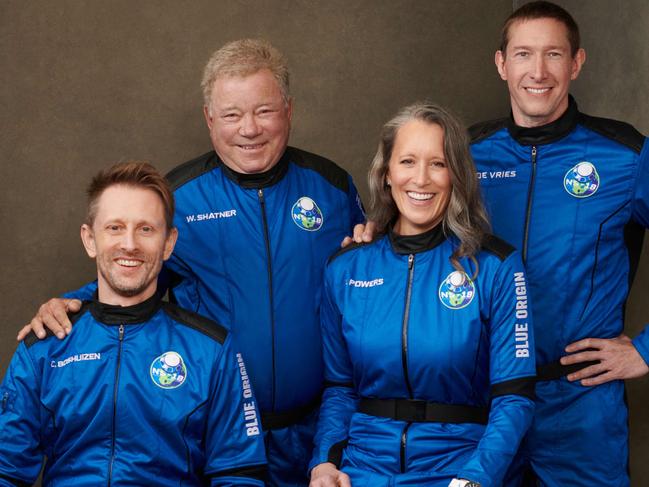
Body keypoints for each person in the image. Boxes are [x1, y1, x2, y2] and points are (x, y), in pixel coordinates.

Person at [18, 39, 366, 487]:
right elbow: (131, 274)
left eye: (264, 111)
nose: (249, 129)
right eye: (231, 115)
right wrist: (68, 305)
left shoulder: (333, 188)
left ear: (289, 111)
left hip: (321, 431)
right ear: (208, 119)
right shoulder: (179, 197)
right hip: (216, 436)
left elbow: (368, 276)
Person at [309, 103, 536, 487]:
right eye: (408, 161)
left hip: (458, 469)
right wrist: (324, 464)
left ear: (458, 175)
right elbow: (339, 389)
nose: (421, 179)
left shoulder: (496, 267)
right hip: (363, 469)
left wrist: (476, 478)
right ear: (386, 174)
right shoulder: (345, 269)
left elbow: (515, 398)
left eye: (438, 164)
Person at [469, 2, 649, 485]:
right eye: (524, 54)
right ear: (502, 64)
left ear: (577, 63)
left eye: (554, 54)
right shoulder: (466, 155)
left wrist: (647, 349)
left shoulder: (626, 155)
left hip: (581, 404)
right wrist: (370, 234)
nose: (538, 71)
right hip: (484, 399)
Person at [0, 162, 266, 485]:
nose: (129, 244)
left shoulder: (211, 351)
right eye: (114, 228)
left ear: (168, 242)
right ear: (89, 239)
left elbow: (239, 474)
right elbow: (6, 470)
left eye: (146, 229)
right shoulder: (44, 348)